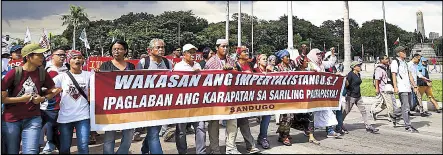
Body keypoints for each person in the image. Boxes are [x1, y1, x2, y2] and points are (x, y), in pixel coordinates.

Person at [1, 43, 62, 154]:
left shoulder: (42, 72)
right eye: (38, 55)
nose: (42, 57)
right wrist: (21, 99)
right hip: (11, 120)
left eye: (42, 55)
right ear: (28, 57)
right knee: (11, 151)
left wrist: (42, 99)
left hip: (33, 118)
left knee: (32, 151)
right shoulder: (14, 73)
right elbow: (2, 98)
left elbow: (54, 90)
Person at [98, 39, 136, 154]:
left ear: (125, 51)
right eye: (114, 49)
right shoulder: (105, 66)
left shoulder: (131, 66)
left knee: (129, 135)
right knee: (109, 136)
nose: (116, 51)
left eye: (119, 49)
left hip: (128, 106)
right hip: (111, 106)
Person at [136, 38, 173, 154]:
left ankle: (145, 148)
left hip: (162, 103)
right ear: (150, 50)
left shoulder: (168, 63)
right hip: (147, 104)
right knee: (153, 132)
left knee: (154, 131)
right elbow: (135, 82)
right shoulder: (143, 63)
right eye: (158, 47)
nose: (161, 50)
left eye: (163, 47)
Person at [204, 38, 239, 154]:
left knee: (232, 123)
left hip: (229, 97)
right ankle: (215, 149)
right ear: (216, 47)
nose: (225, 48)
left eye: (227, 46)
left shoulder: (232, 60)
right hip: (214, 98)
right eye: (222, 46)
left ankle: (231, 147)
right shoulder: (210, 62)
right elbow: (205, 80)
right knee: (213, 124)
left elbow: (237, 77)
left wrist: (232, 70)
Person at [54, 50, 91, 154]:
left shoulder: (89, 75)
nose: (77, 60)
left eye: (80, 57)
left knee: (83, 145)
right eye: (74, 58)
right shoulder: (61, 77)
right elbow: (47, 87)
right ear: (69, 61)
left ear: (83, 60)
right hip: (65, 118)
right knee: (65, 147)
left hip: (83, 116)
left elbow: (101, 83)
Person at [172, 43, 206, 154]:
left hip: (197, 103)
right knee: (181, 131)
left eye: (194, 52)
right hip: (182, 103)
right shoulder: (178, 67)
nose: (192, 55)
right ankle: (182, 151)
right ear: (184, 54)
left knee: (200, 128)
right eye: (190, 52)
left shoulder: (197, 66)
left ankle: (201, 152)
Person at [39, 46, 70, 154]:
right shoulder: (46, 69)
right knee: (51, 129)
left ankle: (51, 147)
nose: (62, 57)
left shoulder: (68, 68)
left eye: (64, 55)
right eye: (59, 55)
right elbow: (41, 87)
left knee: (59, 130)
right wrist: (52, 91)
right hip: (49, 105)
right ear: (52, 56)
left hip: (65, 105)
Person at [306, 48, 341, 138]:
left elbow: (330, 63)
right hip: (312, 93)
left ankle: (330, 130)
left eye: (321, 54)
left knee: (327, 109)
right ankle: (309, 130)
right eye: (317, 55)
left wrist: (332, 55)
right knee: (311, 113)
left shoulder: (321, 64)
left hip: (322, 93)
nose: (320, 56)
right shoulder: (309, 65)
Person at [232, 46, 261, 154]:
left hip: (246, 99)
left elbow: (257, 74)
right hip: (236, 99)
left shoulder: (249, 65)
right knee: (234, 126)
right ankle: (233, 147)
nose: (247, 53)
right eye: (244, 52)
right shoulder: (236, 65)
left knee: (244, 123)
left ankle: (250, 146)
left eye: (247, 51)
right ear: (239, 55)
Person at [291, 54, 321, 145]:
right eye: (305, 61)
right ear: (300, 62)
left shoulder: (310, 71)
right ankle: (284, 135)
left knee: (311, 116)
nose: (307, 62)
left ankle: (311, 136)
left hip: (308, 99)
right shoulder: (295, 72)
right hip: (297, 99)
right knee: (291, 118)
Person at [342, 61, 379, 133]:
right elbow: (346, 85)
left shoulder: (358, 74)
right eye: (358, 66)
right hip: (351, 96)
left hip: (358, 96)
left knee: (363, 111)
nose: (360, 67)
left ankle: (368, 125)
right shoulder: (350, 74)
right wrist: (345, 80)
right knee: (346, 111)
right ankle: (339, 123)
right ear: (354, 67)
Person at [391, 46, 419, 133]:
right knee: (406, 107)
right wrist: (395, 86)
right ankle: (408, 125)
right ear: (398, 53)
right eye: (403, 51)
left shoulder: (405, 63)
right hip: (401, 87)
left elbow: (409, 75)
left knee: (410, 106)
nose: (405, 52)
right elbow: (393, 75)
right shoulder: (395, 62)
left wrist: (414, 86)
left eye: (405, 51)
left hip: (408, 88)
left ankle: (394, 115)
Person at [274, 49, 296, 146]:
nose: (288, 58)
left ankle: (283, 133)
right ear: (282, 58)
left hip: (291, 95)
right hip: (282, 96)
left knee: (291, 116)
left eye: (288, 56)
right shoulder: (277, 68)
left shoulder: (291, 66)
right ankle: (284, 136)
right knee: (287, 116)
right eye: (286, 56)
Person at [371, 55, 399, 124]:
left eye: (388, 59)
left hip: (389, 87)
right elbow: (377, 80)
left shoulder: (386, 67)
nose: (387, 60)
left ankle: (374, 112)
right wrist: (377, 89)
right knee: (390, 104)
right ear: (381, 60)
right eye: (386, 59)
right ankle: (392, 118)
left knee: (385, 104)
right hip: (384, 89)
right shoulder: (379, 69)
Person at [254, 53, 272, 149]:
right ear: (259, 61)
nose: (265, 60)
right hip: (255, 98)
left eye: (266, 59)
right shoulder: (255, 70)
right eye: (263, 59)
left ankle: (263, 137)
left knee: (267, 117)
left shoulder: (270, 70)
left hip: (267, 98)